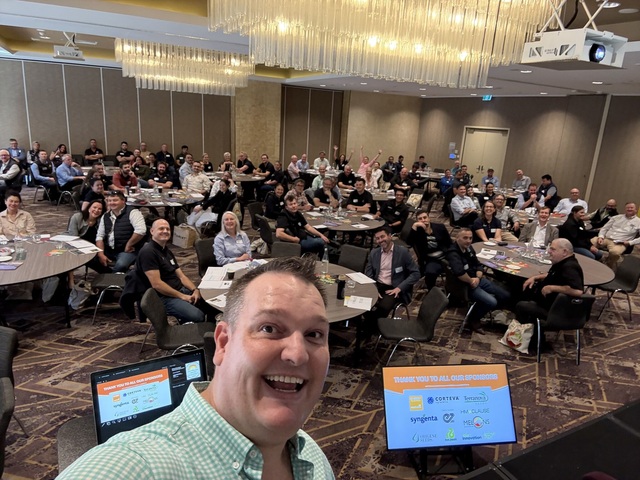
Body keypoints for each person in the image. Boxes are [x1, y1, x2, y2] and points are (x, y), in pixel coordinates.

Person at [58, 256, 335, 479]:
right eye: (269, 328)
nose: (298, 354)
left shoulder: (311, 455)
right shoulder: (137, 465)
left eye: (314, 334)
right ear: (223, 343)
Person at [134, 219, 208, 324]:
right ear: (152, 231)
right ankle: (187, 328)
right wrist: (182, 296)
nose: (165, 231)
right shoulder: (148, 253)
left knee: (209, 304)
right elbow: (157, 284)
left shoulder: (165, 250)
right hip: (163, 297)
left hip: (178, 290)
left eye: (167, 229)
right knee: (198, 316)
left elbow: (181, 276)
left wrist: (195, 289)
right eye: (161, 229)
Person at [358, 227, 420, 345]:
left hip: (395, 287)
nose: (380, 240)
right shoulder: (374, 253)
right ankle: (372, 327)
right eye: (377, 238)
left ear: (390, 236)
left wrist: (399, 288)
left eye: (383, 237)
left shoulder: (403, 253)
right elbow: (369, 274)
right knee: (360, 302)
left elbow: (416, 273)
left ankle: (367, 331)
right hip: (378, 285)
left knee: (383, 307)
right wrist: (373, 289)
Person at [446, 228, 510, 333]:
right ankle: (473, 318)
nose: (468, 241)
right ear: (457, 238)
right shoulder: (453, 253)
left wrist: (478, 277)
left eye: (470, 238)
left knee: (505, 295)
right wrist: (471, 281)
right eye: (465, 238)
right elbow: (460, 273)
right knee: (492, 302)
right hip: (464, 285)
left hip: (476, 279)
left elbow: (478, 264)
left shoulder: (469, 248)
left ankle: (484, 309)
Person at [516, 238, 584, 331]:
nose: (549, 251)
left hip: (556, 311)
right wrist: (535, 277)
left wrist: (552, 288)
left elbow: (578, 291)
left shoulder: (570, 267)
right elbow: (552, 274)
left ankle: (529, 334)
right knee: (521, 289)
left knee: (521, 305)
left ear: (564, 252)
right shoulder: (562, 262)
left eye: (553, 249)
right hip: (548, 303)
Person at [95, 191, 147, 272]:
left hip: (127, 250)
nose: (112, 203)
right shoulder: (105, 216)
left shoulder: (133, 212)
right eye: (109, 200)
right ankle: (110, 274)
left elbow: (141, 231)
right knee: (90, 258)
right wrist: (101, 254)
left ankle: (112, 277)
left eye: (115, 200)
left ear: (123, 201)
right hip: (109, 249)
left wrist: (129, 244)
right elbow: (99, 236)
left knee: (121, 265)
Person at [408, 209, 451, 290]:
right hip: (431, 259)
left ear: (429, 218)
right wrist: (414, 226)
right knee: (430, 273)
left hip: (445, 255)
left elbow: (449, 243)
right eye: (420, 219)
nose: (423, 220)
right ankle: (431, 291)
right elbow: (409, 243)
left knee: (459, 266)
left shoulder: (440, 227)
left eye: (425, 217)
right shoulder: (417, 232)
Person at [591, 202, 640, 270]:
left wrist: (630, 242)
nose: (629, 209)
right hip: (606, 238)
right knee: (590, 242)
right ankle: (593, 259)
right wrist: (601, 237)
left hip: (620, 243)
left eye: (631, 208)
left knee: (615, 253)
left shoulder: (638, 222)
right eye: (627, 208)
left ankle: (608, 265)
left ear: (636, 210)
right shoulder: (616, 217)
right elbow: (605, 228)